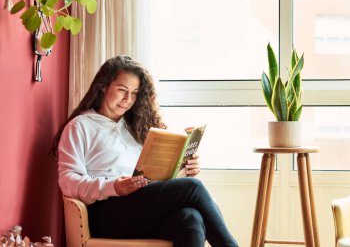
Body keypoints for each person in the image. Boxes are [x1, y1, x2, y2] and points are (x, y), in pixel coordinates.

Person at [52, 56, 238, 247]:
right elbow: (67, 181)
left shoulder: (135, 128)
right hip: (106, 213)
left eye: (134, 93)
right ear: (103, 86)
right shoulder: (80, 126)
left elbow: (154, 180)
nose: (128, 100)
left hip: (140, 209)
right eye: (122, 90)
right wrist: (114, 186)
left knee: (191, 218)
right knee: (193, 187)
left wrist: (183, 169)